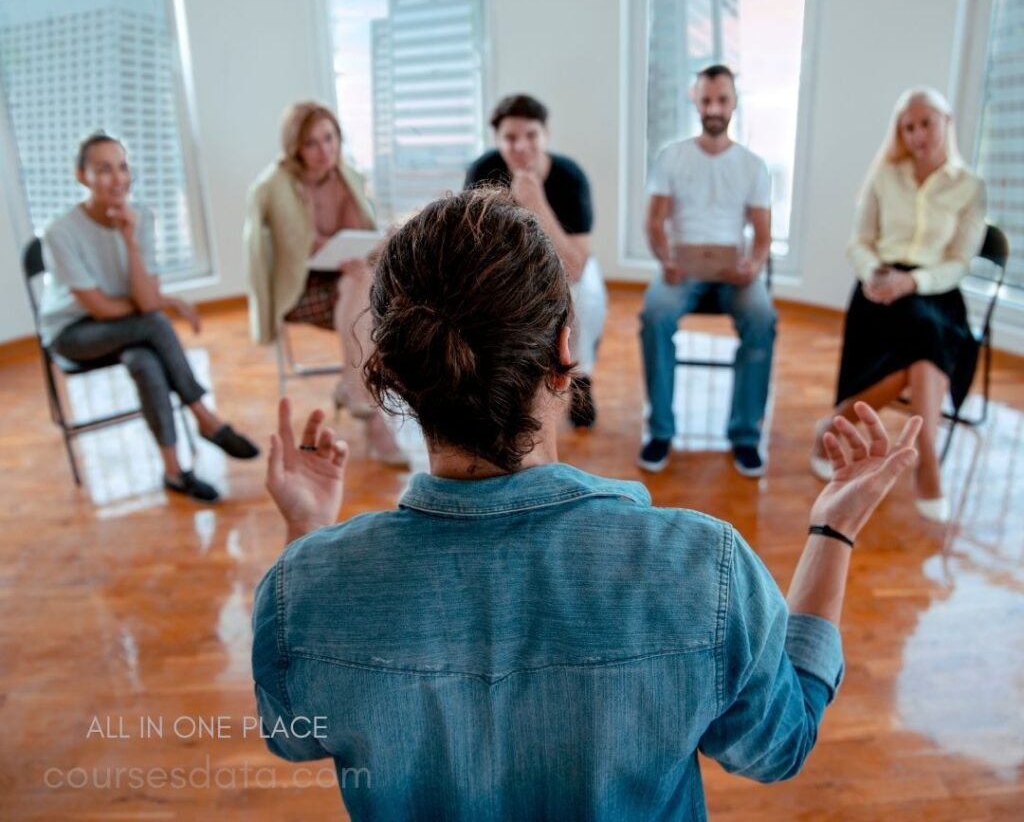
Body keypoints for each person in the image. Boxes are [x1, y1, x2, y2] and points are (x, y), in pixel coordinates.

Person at [252, 186, 922, 820]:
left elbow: (292, 730)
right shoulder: (704, 570)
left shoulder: (302, 589)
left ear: (391, 376)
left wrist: (309, 534)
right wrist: (833, 529)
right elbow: (779, 745)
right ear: (565, 350)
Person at [38, 132, 259, 502]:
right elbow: (99, 307)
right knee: (154, 324)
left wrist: (129, 239)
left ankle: (174, 471)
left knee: (144, 359)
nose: (118, 177)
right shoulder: (60, 231)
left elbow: (143, 299)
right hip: (72, 333)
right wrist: (163, 303)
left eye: (122, 167)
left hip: (127, 330)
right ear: (81, 176)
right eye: (103, 169)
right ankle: (205, 417)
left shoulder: (140, 218)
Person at [811, 87, 987, 524]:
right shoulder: (884, 176)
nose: (918, 133)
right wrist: (874, 273)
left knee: (928, 331)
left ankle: (840, 424)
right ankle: (926, 462)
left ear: (946, 122)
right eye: (909, 127)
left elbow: (959, 263)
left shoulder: (970, 186)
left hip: (936, 290)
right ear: (900, 134)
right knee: (924, 341)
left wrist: (914, 281)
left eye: (926, 122)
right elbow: (860, 243)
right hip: (880, 287)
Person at [243, 101, 407, 467]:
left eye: (330, 138)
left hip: (345, 282)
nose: (324, 150)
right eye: (312, 143)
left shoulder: (345, 176)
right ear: (295, 147)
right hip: (298, 288)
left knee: (359, 285)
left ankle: (353, 389)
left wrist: (352, 251)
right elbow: (282, 248)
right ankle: (363, 402)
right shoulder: (273, 186)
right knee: (366, 301)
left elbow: (360, 234)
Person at [638, 64, 776, 477]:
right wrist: (666, 261)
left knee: (763, 318)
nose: (714, 108)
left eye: (722, 100)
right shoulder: (672, 157)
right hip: (683, 271)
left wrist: (753, 264)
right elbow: (654, 222)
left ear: (734, 103)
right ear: (695, 101)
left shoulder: (753, 165)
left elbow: (763, 234)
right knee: (654, 315)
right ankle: (661, 430)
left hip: (734, 272)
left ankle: (745, 435)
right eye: (707, 100)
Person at [465, 93, 607, 428]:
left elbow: (576, 266)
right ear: (497, 140)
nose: (521, 147)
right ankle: (496, 386)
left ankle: (581, 376)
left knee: (586, 297)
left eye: (531, 136)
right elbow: (473, 245)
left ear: (546, 135)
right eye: (510, 138)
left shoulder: (569, 177)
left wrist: (536, 204)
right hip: (508, 265)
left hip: (563, 263)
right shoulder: (484, 171)